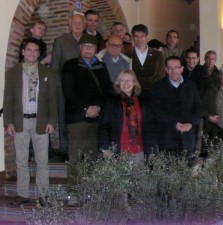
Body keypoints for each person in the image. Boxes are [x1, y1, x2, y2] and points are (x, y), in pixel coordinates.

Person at [3, 38, 57, 205]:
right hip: (21, 121)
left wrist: (51, 121)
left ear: (39, 54)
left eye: (35, 51)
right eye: (29, 50)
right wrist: (9, 122)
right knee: (21, 160)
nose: (32, 53)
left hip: (40, 121)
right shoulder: (12, 73)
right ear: (23, 52)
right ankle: (22, 193)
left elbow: (52, 100)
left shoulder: (47, 72)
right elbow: (8, 99)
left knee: (42, 161)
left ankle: (44, 194)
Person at [62, 34, 113, 169]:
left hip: (96, 118)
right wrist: (86, 108)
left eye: (91, 46)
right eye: (85, 46)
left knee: (93, 158)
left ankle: (91, 190)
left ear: (96, 49)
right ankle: (74, 190)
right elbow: (68, 92)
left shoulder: (101, 66)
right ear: (80, 48)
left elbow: (107, 91)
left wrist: (97, 107)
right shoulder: (70, 65)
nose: (88, 49)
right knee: (75, 157)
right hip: (77, 118)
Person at [151, 56, 203, 159]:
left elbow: (198, 108)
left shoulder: (191, 85)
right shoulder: (159, 86)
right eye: (170, 68)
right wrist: (173, 124)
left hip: (187, 138)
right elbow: (156, 111)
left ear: (182, 69)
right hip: (167, 139)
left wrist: (191, 123)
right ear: (166, 69)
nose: (173, 71)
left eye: (176, 67)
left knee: (186, 171)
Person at [98, 70, 156, 162]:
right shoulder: (111, 102)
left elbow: (150, 127)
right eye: (122, 80)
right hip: (117, 153)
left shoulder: (144, 101)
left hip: (139, 151)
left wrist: (152, 149)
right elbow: (104, 126)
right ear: (118, 83)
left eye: (129, 80)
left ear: (134, 82)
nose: (125, 83)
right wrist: (104, 148)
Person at [51, 14, 85, 156]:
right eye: (75, 23)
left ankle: (83, 150)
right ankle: (66, 149)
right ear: (69, 25)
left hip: (83, 89)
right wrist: (59, 88)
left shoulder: (88, 40)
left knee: (82, 119)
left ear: (84, 25)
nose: (78, 25)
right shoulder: (61, 41)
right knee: (64, 118)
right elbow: (55, 67)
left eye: (80, 23)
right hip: (64, 88)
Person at [130, 24, 166, 98]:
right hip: (133, 94)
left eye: (142, 36)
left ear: (147, 37)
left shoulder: (157, 55)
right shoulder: (127, 54)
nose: (139, 39)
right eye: (136, 36)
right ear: (133, 38)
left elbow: (161, 75)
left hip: (153, 94)